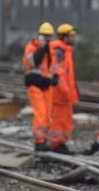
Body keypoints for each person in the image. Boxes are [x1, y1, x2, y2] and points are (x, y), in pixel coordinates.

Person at [21, 22, 54, 151]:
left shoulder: (49, 51)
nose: (47, 39)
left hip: (45, 84)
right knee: (40, 113)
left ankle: (44, 139)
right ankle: (39, 141)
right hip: (34, 83)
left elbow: (49, 68)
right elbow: (33, 62)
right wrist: (41, 48)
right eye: (45, 36)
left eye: (49, 36)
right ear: (40, 36)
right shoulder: (31, 47)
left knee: (46, 114)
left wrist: (53, 78)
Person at [47, 23, 79, 154]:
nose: (74, 38)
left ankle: (61, 144)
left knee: (66, 121)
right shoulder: (59, 52)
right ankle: (57, 144)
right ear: (64, 37)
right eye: (71, 36)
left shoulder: (65, 51)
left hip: (65, 96)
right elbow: (58, 73)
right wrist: (66, 91)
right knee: (59, 121)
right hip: (60, 95)